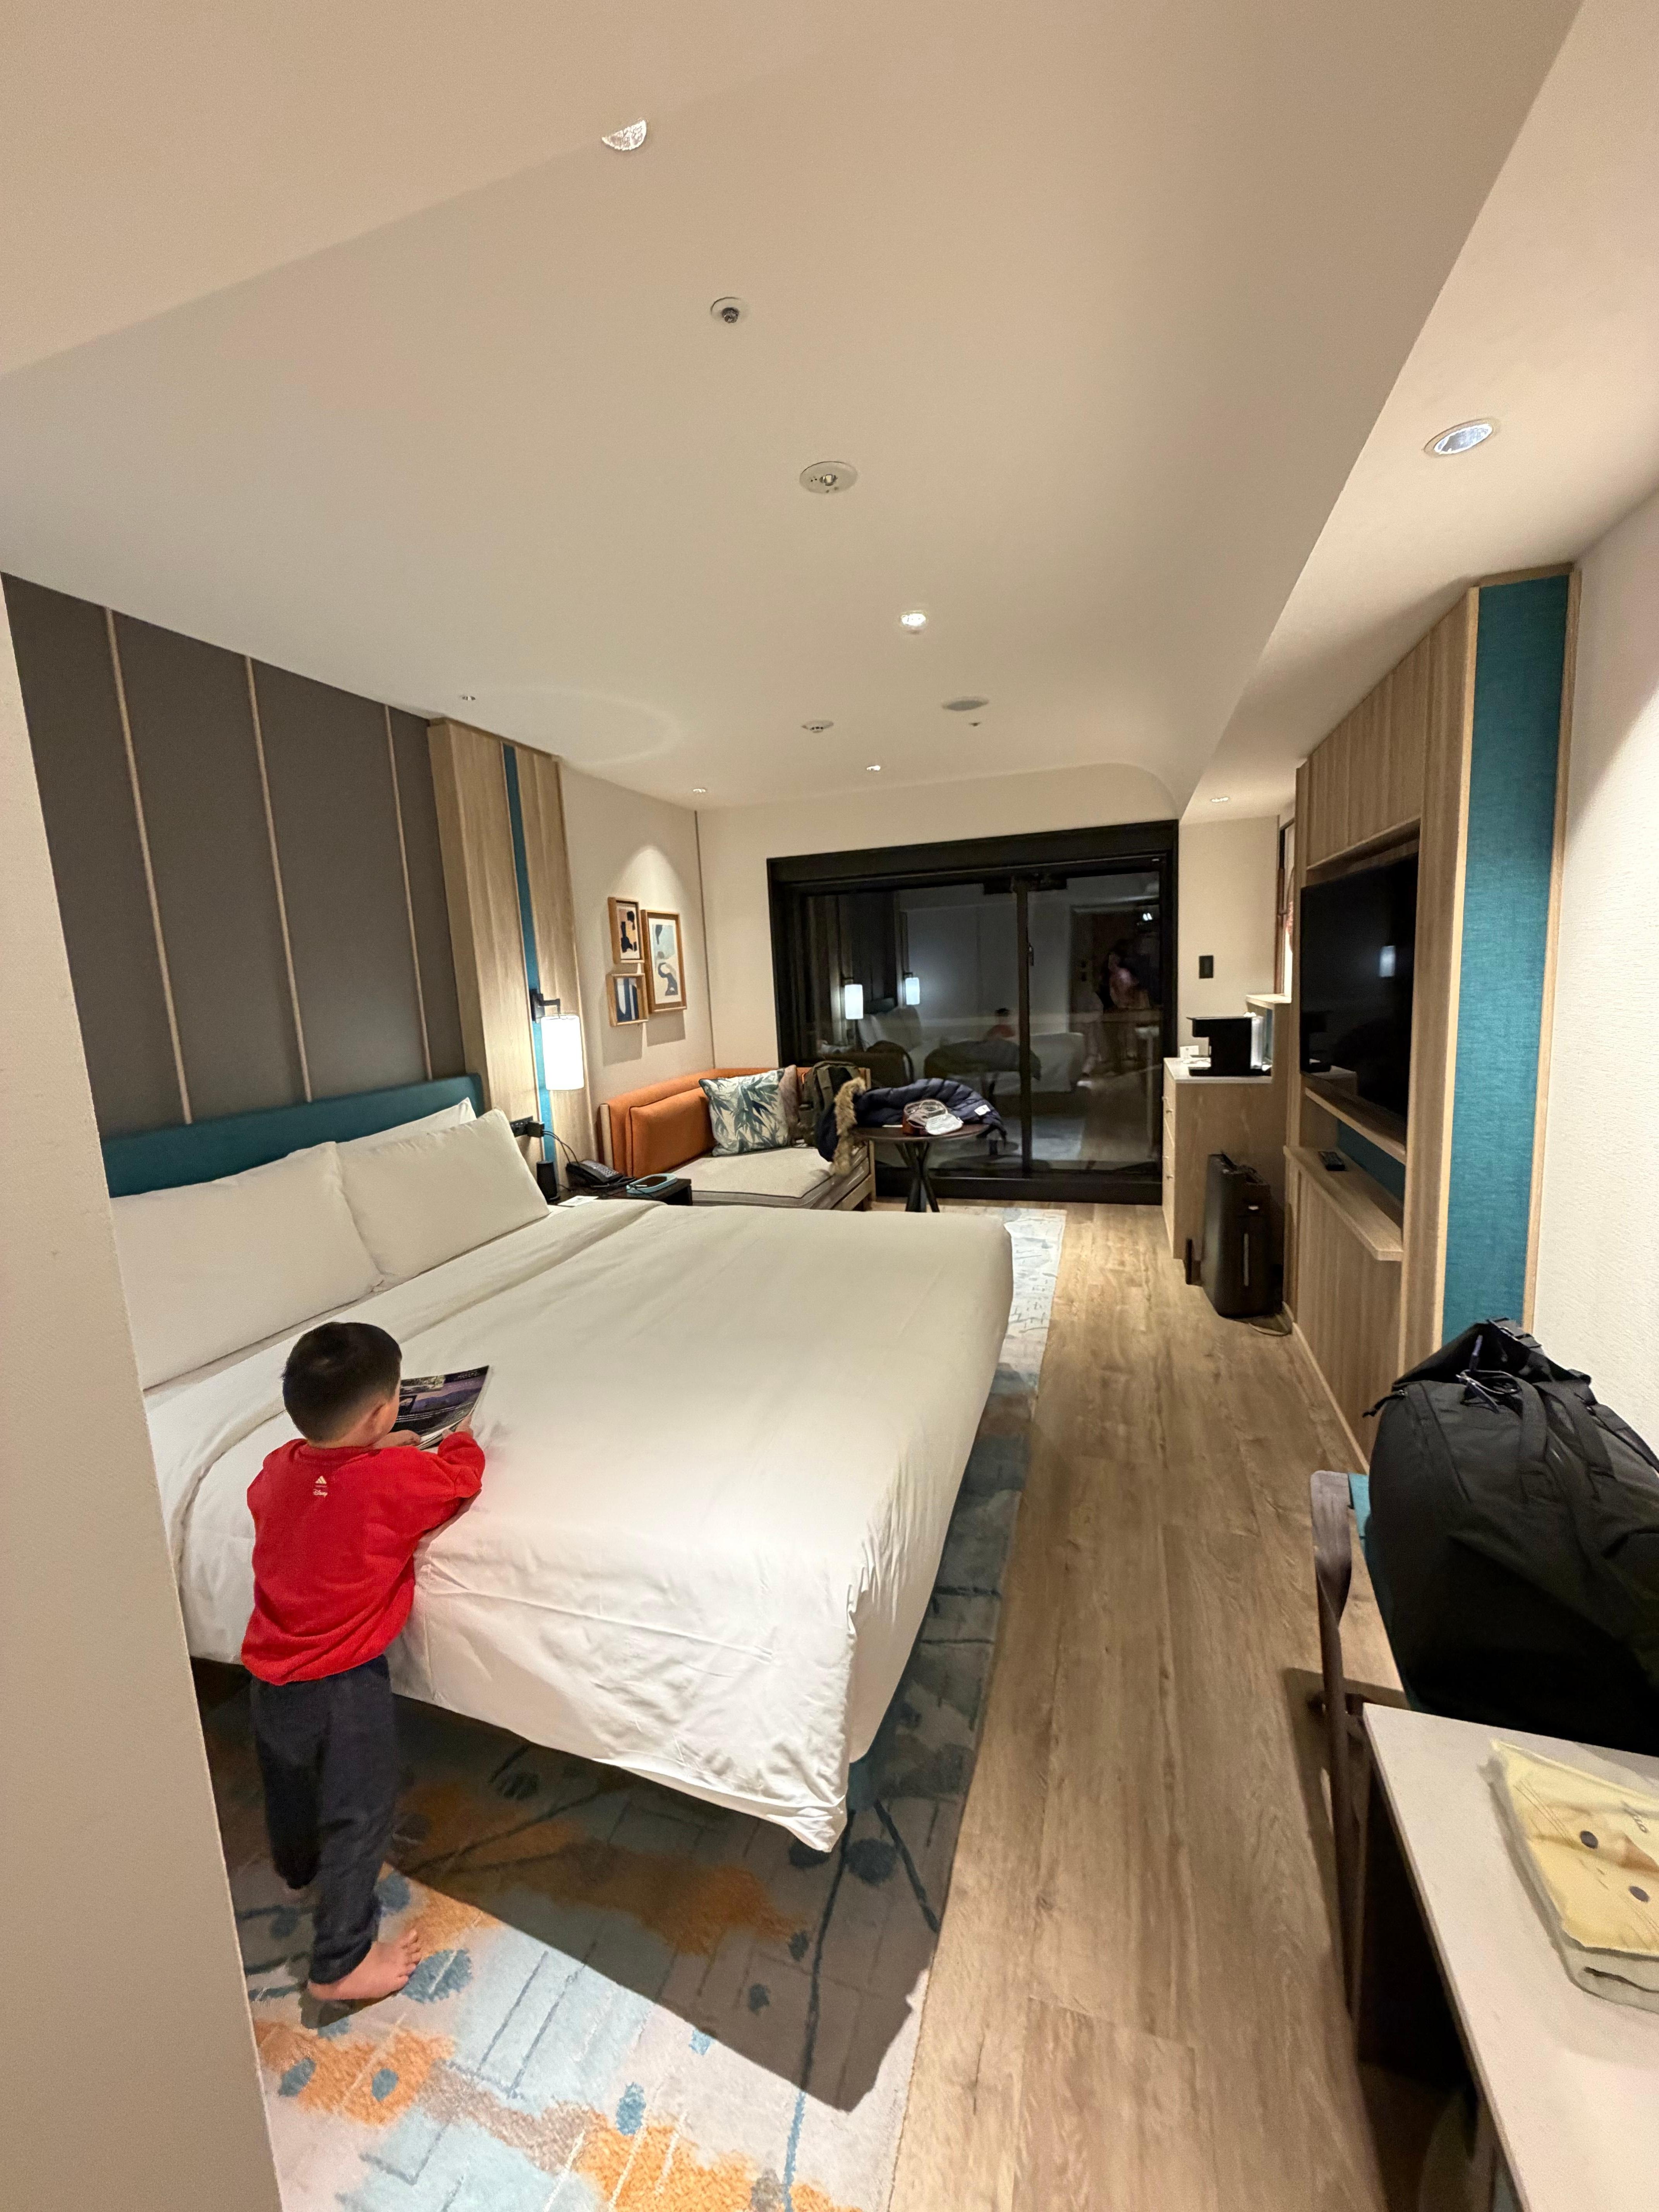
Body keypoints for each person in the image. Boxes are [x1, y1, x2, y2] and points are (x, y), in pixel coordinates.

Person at [242, 1321, 485, 2001]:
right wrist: (457, 1439)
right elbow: (458, 1480)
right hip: (342, 1686)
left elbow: (303, 1497)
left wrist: (372, 1454)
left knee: (291, 1785)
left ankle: (298, 1870)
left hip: (268, 1669)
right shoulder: (394, 1478)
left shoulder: (276, 1468)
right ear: (381, 1413)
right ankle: (341, 1962)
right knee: (361, 1814)